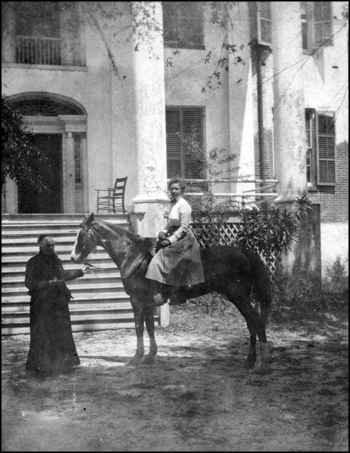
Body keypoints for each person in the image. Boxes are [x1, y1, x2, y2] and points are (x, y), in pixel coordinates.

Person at [25, 234, 91, 376]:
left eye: (53, 245)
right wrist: (48, 283)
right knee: (43, 335)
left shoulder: (56, 261)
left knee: (62, 333)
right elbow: (29, 283)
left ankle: (64, 364)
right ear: (40, 246)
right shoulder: (33, 262)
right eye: (48, 245)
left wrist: (81, 272)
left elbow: (63, 276)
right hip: (42, 304)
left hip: (59, 303)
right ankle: (42, 365)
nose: (51, 248)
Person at [145, 177, 205, 306]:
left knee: (159, 260)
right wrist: (163, 232)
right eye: (171, 188)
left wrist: (170, 240)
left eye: (176, 188)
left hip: (183, 239)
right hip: (172, 234)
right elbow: (170, 224)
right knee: (154, 252)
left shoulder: (184, 206)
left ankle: (172, 294)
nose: (173, 191)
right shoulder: (172, 204)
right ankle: (161, 291)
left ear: (181, 190)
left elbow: (183, 227)